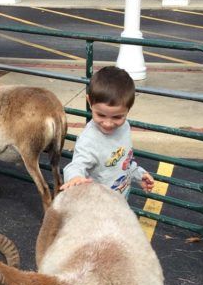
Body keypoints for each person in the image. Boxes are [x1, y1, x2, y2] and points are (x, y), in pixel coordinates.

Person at [61, 66, 154, 198]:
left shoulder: (124, 127)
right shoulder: (89, 139)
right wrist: (75, 178)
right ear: (89, 102)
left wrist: (138, 174)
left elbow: (125, 160)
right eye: (101, 115)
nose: (108, 123)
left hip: (119, 200)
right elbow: (76, 165)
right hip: (97, 205)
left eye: (117, 117)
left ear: (128, 108)